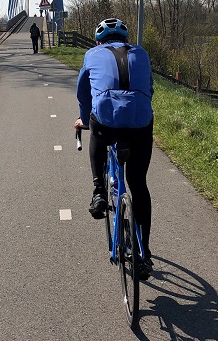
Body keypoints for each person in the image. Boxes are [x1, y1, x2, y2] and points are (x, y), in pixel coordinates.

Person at [74, 17, 155, 279]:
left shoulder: (91, 54)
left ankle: (98, 190)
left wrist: (84, 118)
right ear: (126, 39)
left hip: (107, 119)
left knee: (96, 133)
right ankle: (144, 255)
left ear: (99, 41)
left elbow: (83, 92)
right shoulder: (140, 53)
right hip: (139, 121)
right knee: (138, 184)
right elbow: (149, 89)